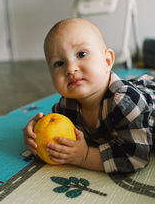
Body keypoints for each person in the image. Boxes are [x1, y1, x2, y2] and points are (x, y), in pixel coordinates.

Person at [23, 18, 155, 173]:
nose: (71, 69)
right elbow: (56, 132)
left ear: (107, 61)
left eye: (81, 54)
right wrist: (35, 135)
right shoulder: (68, 104)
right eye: (59, 63)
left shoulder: (125, 103)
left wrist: (84, 156)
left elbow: (135, 157)